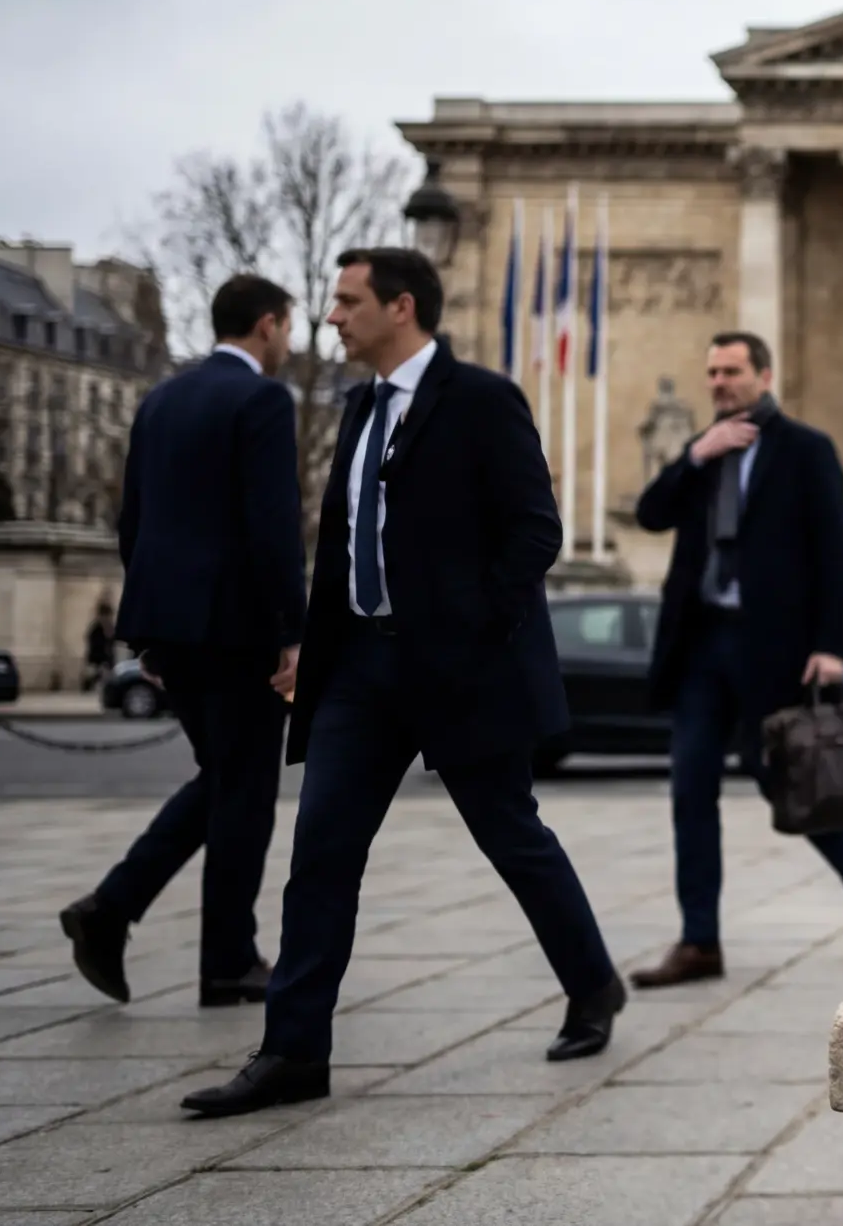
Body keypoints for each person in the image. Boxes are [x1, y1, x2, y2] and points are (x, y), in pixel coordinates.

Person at [181, 249, 622, 1118]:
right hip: (361, 671)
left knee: (513, 838)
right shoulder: (356, 408)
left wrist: (472, 628)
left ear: (402, 306)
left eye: (348, 302)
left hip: (460, 669)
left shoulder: (482, 399)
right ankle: (292, 1050)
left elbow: (536, 531)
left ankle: (592, 983)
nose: (332, 317)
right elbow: (347, 541)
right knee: (321, 855)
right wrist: (310, 640)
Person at [61, 276, 305, 1008]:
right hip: (238, 627)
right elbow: (273, 527)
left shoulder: (161, 397)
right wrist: (292, 633)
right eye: (288, 327)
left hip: (171, 622)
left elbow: (132, 522)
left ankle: (112, 908)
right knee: (246, 789)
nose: (288, 341)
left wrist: (150, 632)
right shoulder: (263, 399)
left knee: (224, 778)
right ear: (267, 325)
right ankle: (226, 959)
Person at [628, 331, 843, 989]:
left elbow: (835, 553)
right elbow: (650, 513)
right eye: (712, 371)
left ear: (764, 375)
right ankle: (699, 940)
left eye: (732, 370)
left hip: (773, 646)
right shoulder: (705, 453)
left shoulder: (805, 450)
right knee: (690, 787)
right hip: (701, 643)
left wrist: (830, 645)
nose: (718, 381)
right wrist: (694, 454)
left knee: (785, 781)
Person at [82, 605, 115, 692]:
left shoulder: (110, 628)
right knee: (93, 675)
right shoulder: (96, 628)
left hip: (106, 659)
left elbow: (112, 642)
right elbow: (94, 644)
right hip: (97, 658)